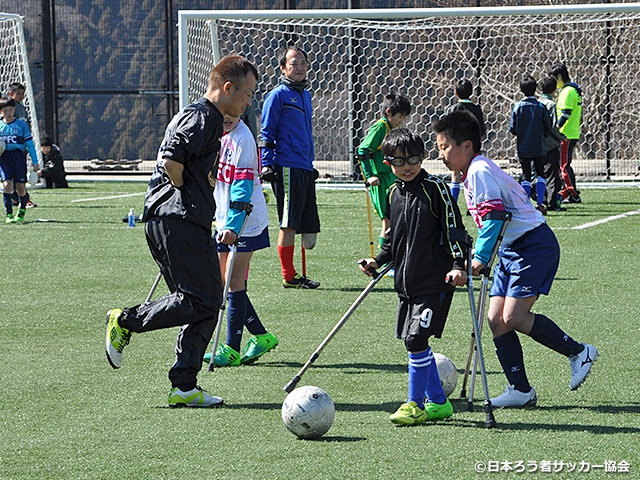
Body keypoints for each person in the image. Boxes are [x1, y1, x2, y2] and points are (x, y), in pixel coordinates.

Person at [104, 54, 259, 408]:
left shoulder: (210, 119)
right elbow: (172, 159)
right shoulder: (203, 115)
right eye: (247, 93)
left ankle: (184, 386)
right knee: (202, 298)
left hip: (184, 221)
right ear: (228, 87)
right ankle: (125, 320)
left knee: (205, 303)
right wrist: (186, 191)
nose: (249, 100)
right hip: (176, 220)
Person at [434, 110, 598, 409]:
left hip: (534, 245)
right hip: (511, 248)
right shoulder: (472, 173)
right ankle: (521, 390)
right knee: (496, 320)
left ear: (466, 146)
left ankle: (579, 352)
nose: (441, 154)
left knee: (514, 317)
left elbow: (495, 217)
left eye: (445, 147)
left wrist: (480, 259)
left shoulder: (480, 170)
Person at [358, 128, 468, 426]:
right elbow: (394, 239)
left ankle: (415, 405)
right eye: (398, 161)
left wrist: (459, 264)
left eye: (414, 159)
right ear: (388, 163)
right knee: (414, 341)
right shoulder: (394, 192)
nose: (407, 166)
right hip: (406, 284)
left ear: (423, 157)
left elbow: (454, 228)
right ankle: (440, 403)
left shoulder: (436, 189)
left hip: (435, 282)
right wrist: (377, 261)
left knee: (415, 340)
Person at [203, 113, 278, 367]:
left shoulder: (243, 138)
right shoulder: (218, 134)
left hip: (245, 222)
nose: (227, 117)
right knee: (224, 280)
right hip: (225, 219)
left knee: (234, 282)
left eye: (232, 113)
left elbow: (243, 188)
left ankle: (232, 348)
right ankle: (261, 335)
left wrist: (234, 225)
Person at [260, 46, 321, 289]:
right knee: (289, 222)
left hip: (304, 167)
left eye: (303, 63)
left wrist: (310, 165)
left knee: (306, 226)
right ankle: (289, 276)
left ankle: (299, 274)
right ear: (283, 68)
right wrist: (266, 164)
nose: (299, 67)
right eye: (294, 63)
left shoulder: (305, 95)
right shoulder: (277, 96)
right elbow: (266, 132)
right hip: (286, 166)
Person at [356, 93, 411, 250]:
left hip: (389, 178)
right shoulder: (380, 127)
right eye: (400, 116)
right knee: (387, 221)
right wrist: (370, 176)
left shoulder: (388, 128)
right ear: (388, 112)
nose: (401, 121)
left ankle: (392, 258)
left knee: (395, 218)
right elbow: (363, 150)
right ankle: (385, 262)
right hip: (380, 180)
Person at [509, 75, 553, 215]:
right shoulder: (540, 106)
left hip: (523, 147)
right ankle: (540, 203)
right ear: (536, 90)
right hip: (539, 146)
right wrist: (542, 136)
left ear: (521, 90)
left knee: (525, 175)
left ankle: (526, 205)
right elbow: (548, 126)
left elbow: (512, 128)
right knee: (540, 173)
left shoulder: (518, 107)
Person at [445, 79, 486, 202]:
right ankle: (474, 202)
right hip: (472, 147)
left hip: (456, 146)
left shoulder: (452, 109)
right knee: (473, 173)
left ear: (456, 93)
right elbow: (482, 129)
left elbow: (446, 130)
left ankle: (453, 203)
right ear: (471, 92)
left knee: (455, 174)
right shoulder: (476, 109)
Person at [0, 96, 40, 224]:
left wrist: (35, 161)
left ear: (14, 110)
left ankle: (22, 209)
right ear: (1, 112)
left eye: (10, 110)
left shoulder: (21, 125)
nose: (8, 113)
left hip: (18, 157)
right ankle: (9, 214)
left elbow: (30, 145)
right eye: (5, 110)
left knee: (20, 187)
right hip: (4, 158)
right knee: (7, 185)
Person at [548, 63, 583, 204]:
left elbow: (566, 113)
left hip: (565, 134)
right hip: (570, 132)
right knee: (562, 164)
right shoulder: (572, 90)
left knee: (563, 165)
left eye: (553, 79)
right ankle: (565, 192)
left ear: (560, 77)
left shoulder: (568, 91)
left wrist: (556, 128)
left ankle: (573, 194)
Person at [538, 77, 566, 211]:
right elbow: (553, 127)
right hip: (550, 144)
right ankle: (552, 202)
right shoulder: (550, 105)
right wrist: (561, 137)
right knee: (552, 174)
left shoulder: (537, 103)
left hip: (538, 144)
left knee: (539, 172)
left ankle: (540, 197)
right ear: (554, 90)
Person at [8, 82, 37, 208]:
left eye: (22, 93)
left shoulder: (22, 108)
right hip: (11, 147)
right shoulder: (9, 107)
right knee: (16, 174)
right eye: (18, 93)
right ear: (11, 94)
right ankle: (23, 199)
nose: (21, 96)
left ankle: (16, 197)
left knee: (18, 173)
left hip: (21, 146)